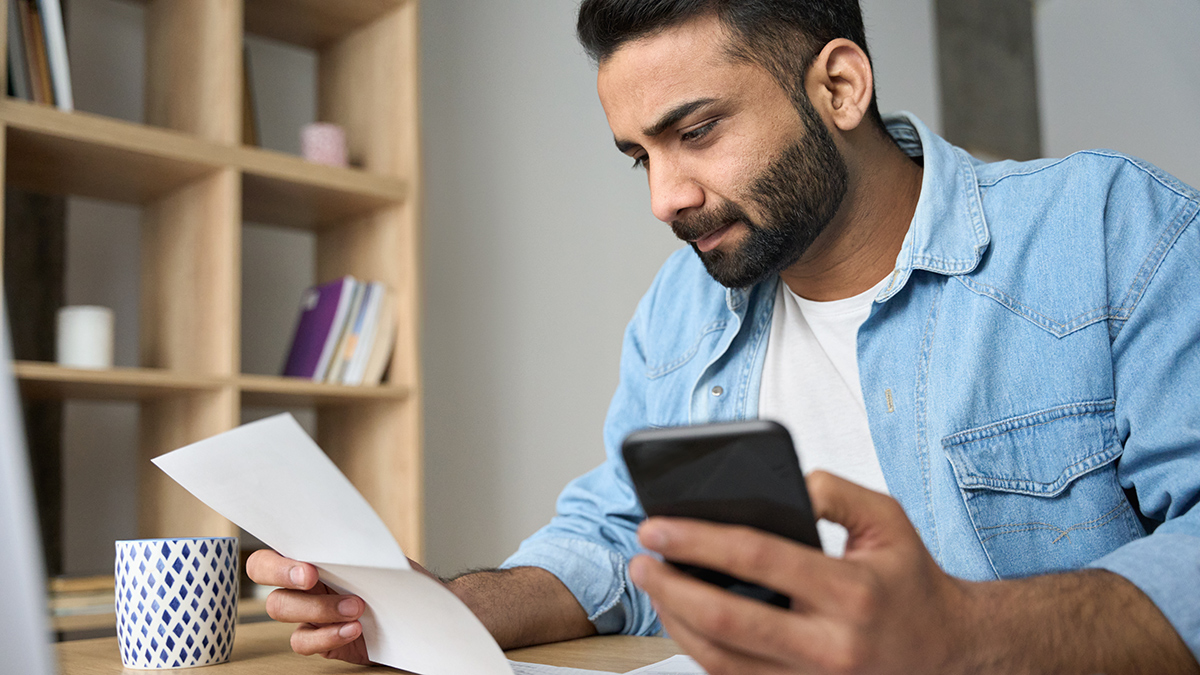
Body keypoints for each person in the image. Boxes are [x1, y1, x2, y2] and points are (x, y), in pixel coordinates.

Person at [248, 1, 1200, 672]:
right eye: (641, 158)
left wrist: (963, 635)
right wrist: (449, 606)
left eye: (695, 132)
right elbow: (619, 532)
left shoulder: (1111, 231)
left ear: (838, 85)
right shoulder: (683, 307)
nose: (666, 198)